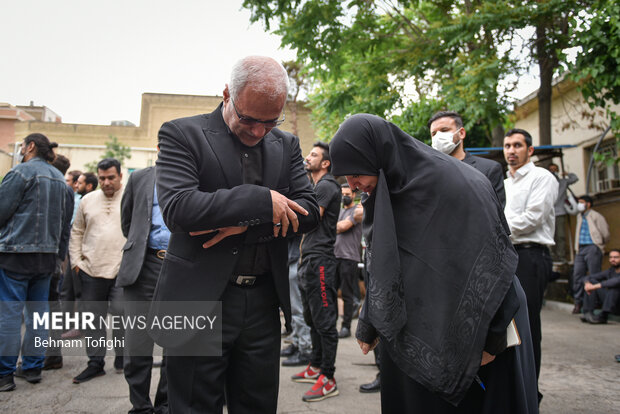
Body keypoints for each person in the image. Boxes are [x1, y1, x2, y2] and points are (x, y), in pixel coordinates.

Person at [330, 114, 538, 413]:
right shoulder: (389, 191)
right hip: (417, 329)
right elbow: (382, 259)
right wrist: (369, 321)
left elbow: (496, 261)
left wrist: (493, 339)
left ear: (377, 155)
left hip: (481, 326)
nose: (353, 184)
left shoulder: (454, 183)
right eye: (345, 178)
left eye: (355, 172)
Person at [150, 56, 319, 413]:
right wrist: (262, 200)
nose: (259, 131)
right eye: (248, 119)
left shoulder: (286, 145)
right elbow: (180, 209)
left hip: (261, 302)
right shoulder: (182, 133)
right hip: (201, 300)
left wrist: (245, 222)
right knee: (194, 404)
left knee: (257, 405)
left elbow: (309, 211)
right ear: (227, 94)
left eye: (271, 122)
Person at [0, 133, 69, 392]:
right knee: (39, 315)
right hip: (47, 258)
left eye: (22, 146)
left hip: (15, 255)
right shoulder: (60, 179)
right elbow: (64, 223)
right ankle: (32, 368)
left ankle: (4, 374)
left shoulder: (20, 173)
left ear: (30, 147)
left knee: (8, 315)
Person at [503, 128, 558, 398]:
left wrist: (496, 229)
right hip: (506, 254)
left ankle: (529, 392)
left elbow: (532, 218)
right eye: (507, 146)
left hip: (531, 255)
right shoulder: (504, 183)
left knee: (527, 325)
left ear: (530, 150)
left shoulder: (542, 177)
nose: (511, 151)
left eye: (517, 145)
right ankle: (512, 387)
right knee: (505, 324)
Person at [116, 164, 169, 413]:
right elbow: (127, 222)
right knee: (137, 344)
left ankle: (166, 404)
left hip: (180, 268)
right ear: (159, 147)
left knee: (177, 344)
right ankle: (140, 406)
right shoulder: (139, 178)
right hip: (143, 266)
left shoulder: (197, 175)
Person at [292, 141, 341, 402]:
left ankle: (328, 377)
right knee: (311, 317)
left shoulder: (326, 185)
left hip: (321, 261)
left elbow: (310, 218)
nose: (307, 157)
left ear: (325, 163)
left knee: (324, 320)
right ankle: (316, 364)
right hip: (308, 259)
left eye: (313, 155)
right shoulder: (316, 186)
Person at [69, 158, 126, 383]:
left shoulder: (131, 198)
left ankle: (122, 356)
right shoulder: (88, 200)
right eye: (102, 178)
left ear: (120, 176)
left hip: (122, 269)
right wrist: (76, 261)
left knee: (122, 314)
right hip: (91, 269)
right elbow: (77, 231)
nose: (106, 182)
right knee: (93, 320)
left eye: (111, 177)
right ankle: (95, 363)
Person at [428, 111, 505, 207]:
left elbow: (495, 213)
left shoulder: (489, 169)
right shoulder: (429, 173)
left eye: (444, 130)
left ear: (461, 133)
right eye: (434, 134)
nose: (438, 137)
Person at [43, 154, 75, 371]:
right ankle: (52, 355)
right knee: (52, 305)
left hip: (37, 257)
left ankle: (48, 355)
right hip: (55, 256)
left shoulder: (50, 187)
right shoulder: (67, 190)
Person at [59, 171, 98, 341]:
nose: (76, 186)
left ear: (89, 186)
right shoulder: (79, 199)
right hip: (74, 251)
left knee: (81, 291)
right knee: (67, 290)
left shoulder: (92, 203)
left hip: (85, 254)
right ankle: (66, 325)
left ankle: (80, 326)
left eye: (79, 183)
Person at [572, 195, 610, 314]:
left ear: (588, 204)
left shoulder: (596, 216)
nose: (579, 205)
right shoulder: (579, 216)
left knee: (594, 275)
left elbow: (606, 233)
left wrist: (599, 245)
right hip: (580, 249)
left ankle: (595, 302)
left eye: (581, 202)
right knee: (577, 276)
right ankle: (578, 302)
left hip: (593, 247)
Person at [335, 183, 363, 338]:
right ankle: (332, 323)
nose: (344, 196)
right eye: (342, 193)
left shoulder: (357, 211)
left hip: (349, 258)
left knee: (347, 294)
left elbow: (343, 227)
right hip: (335, 256)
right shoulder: (340, 211)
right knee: (331, 292)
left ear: (353, 195)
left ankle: (346, 326)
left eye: (347, 194)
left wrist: (332, 225)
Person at [280, 234, 313, 367]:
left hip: (296, 258)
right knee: (293, 307)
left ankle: (305, 349)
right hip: (290, 257)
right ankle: (296, 342)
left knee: (297, 308)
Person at [548, 163, 578, 262]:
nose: (553, 172)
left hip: (560, 212)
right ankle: (551, 256)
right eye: (551, 170)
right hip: (549, 213)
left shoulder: (563, 182)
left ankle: (561, 256)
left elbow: (575, 178)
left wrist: (567, 173)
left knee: (561, 235)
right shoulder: (545, 183)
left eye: (555, 169)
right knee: (550, 236)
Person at [580, 248, 619, 324]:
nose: (612, 259)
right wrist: (587, 283)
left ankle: (603, 316)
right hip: (611, 302)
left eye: (616, 257)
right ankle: (588, 313)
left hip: (617, 304)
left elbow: (615, 282)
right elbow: (588, 277)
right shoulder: (610, 271)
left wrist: (594, 286)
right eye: (611, 257)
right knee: (591, 281)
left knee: (614, 288)